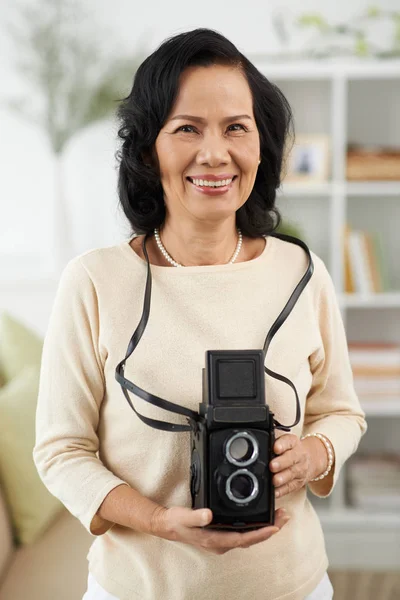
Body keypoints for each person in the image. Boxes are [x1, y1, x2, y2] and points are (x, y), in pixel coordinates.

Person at [33, 28, 367, 600]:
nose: (215, 154)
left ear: (261, 146)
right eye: (187, 128)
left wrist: (312, 454)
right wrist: (158, 520)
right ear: (147, 149)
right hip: (138, 589)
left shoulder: (302, 273)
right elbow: (61, 452)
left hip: (292, 586)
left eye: (236, 127)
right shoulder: (94, 282)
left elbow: (341, 412)